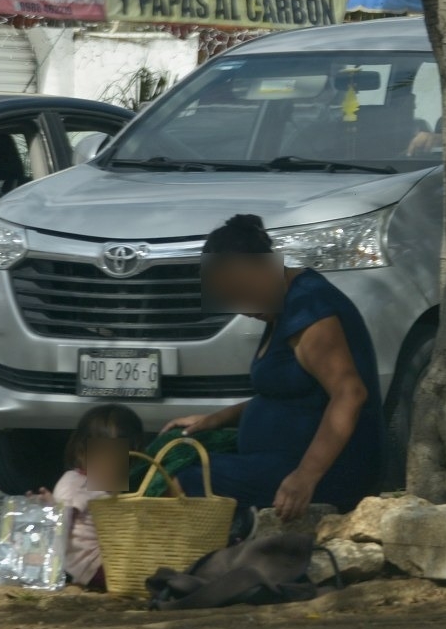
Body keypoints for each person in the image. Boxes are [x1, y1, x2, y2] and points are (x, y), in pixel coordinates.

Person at [163, 214, 383, 521]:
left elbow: (350, 393)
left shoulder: (310, 308)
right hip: (274, 460)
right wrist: (216, 419)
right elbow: (289, 395)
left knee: (185, 477)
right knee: (173, 452)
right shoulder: (282, 306)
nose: (245, 308)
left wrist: (305, 476)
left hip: (324, 470)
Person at [0, 403, 146, 590]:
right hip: (92, 567)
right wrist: (50, 509)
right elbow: (59, 527)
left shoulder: (103, 486)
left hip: (103, 561)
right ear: (82, 452)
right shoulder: (76, 483)